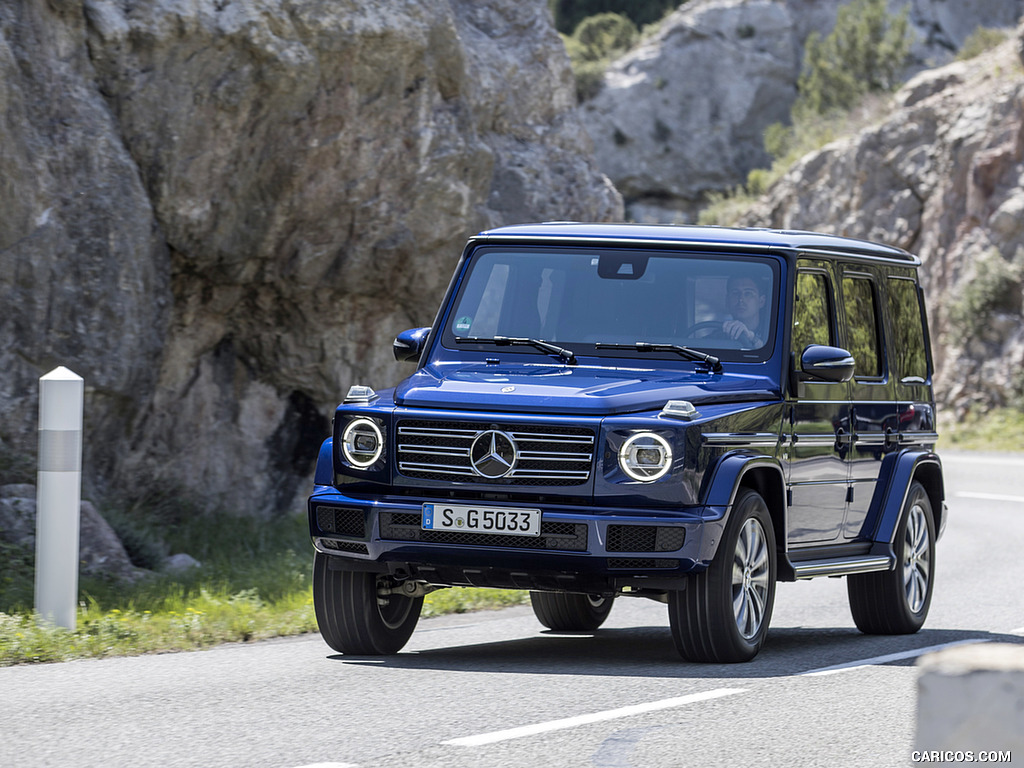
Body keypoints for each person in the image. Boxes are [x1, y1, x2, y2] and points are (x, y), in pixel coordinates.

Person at [722, 275, 767, 347]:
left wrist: (753, 339)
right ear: (727, 301)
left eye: (748, 293)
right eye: (735, 293)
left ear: (761, 301)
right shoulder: (716, 337)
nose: (741, 300)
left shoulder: (772, 335)